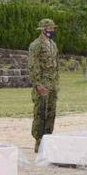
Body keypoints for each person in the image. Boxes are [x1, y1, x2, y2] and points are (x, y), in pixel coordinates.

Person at [28, 19, 59, 152]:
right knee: (40, 113)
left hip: (52, 84)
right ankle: (39, 140)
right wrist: (38, 84)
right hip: (42, 85)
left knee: (51, 113)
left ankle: (48, 138)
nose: (51, 30)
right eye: (49, 28)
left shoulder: (53, 44)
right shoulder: (36, 45)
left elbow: (56, 65)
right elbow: (33, 66)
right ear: (42, 29)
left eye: (53, 28)